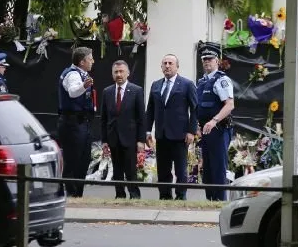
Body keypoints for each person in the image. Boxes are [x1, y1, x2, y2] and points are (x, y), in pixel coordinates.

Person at [146, 54, 197, 200]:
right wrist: (148, 131)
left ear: (177, 66)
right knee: (163, 169)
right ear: (161, 67)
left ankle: (181, 197)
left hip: (180, 135)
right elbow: (150, 109)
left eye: (170, 63)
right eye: (165, 63)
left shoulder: (187, 84)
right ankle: (165, 196)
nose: (167, 66)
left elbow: (194, 109)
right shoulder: (156, 85)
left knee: (181, 170)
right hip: (161, 135)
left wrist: (191, 131)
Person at [100, 60, 146, 199]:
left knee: (131, 170)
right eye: (116, 72)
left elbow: (141, 118)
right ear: (112, 74)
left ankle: (134, 195)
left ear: (128, 73)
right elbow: (103, 118)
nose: (119, 74)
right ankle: (119, 195)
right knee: (117, 170)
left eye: (121, 71)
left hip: (130, 138)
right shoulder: (107, 92)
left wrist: (141, 140)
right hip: (113, 138)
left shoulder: (137, 90)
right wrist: (104, 141)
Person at [196, 45, 235, 201]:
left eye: (210, 59)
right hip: (205, 130)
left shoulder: (222, 80)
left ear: (217, 61)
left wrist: (214, 121)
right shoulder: (201, 82)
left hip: (219, 129)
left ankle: (220, 200)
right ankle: (210, 200)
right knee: (207, 167)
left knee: (219, 165)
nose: (207, 62)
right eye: (204, 60)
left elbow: (230, 105)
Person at [57, 46, 95, 198]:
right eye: (90, 58)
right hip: (72, 123)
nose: (93, 61)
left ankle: (78, 193)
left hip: (82, 122)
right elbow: (73, 92)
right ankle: (71, 194)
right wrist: (84, 86)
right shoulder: (72, 74)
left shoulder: (81, 73)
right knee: (73, 159)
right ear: (82, 61)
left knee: (84, 159)